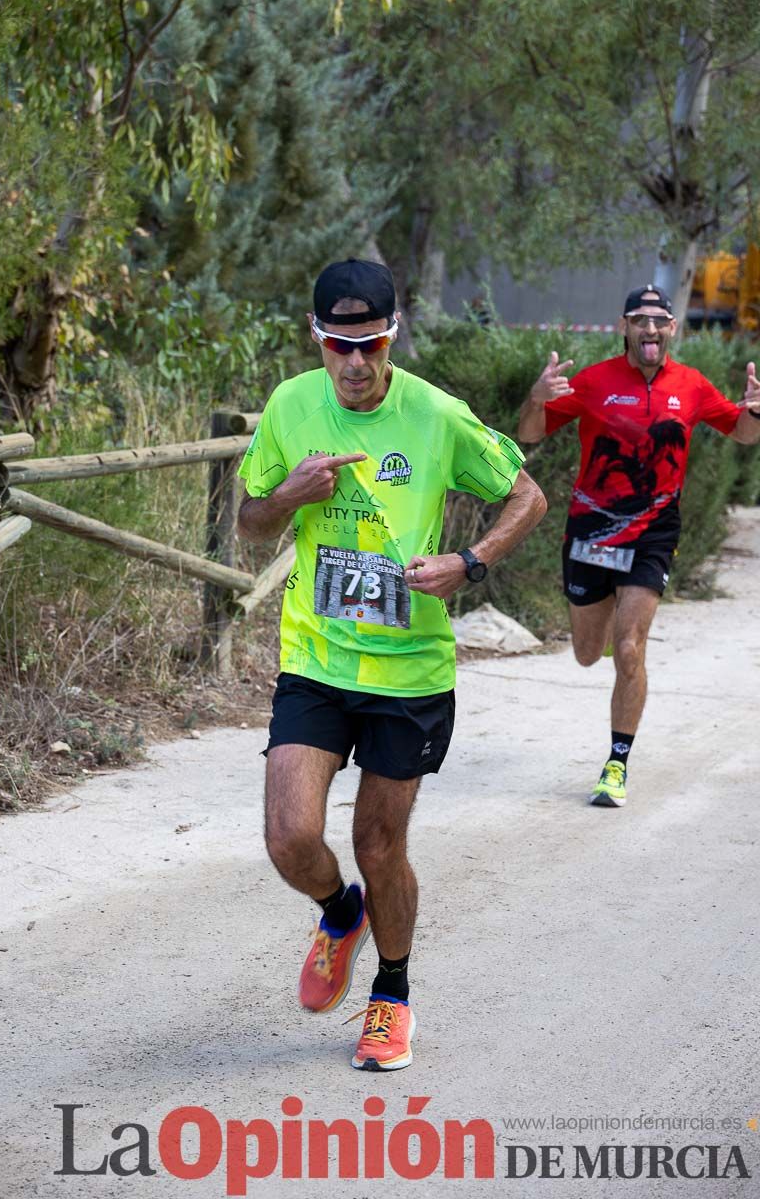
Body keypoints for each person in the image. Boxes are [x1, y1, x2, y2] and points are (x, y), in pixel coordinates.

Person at [237, 258, 546, 1071]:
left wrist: (470, 563)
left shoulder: (436, 415)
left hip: (409, 671)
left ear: (391, 333)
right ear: (317, 338)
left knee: (379, 843)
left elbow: (529, 496)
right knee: (289, 837)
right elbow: (248, 523)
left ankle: (392, 994)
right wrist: (287, 497)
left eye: (371, 344)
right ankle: (340, 913)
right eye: (340, 345)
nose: (356, 363)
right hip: (318, 655)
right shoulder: (290, 407)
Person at [518, 283, 760, 808]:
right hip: (591, 529)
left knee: (630, 647)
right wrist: (536, 400)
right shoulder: (593, 381)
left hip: (654, 531)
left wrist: (755, 411)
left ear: (673, 328)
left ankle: (616, 763)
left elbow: (741, 434)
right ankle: (608, 626)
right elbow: (532, 434)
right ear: (623, 327)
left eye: (660, 320)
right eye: (639, 319)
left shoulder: (691, 385)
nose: (650, 329)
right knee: (587, 653)